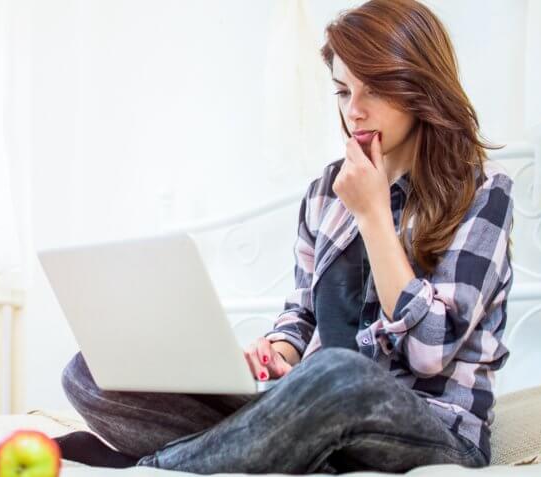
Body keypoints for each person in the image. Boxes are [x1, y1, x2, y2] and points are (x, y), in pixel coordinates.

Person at [53, 0, 514, 473]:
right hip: (314, 405)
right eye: (342, 90)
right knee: (91, 372)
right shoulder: (325, 192)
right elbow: (303, 315)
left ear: (419, 83)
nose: (353, 111)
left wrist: (374, 213)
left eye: (373, 88)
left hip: (430, 426)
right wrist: (277, 352)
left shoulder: (481, 190)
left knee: (337, 375)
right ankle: (274, 451)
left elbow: (429, 352)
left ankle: (150, 467)